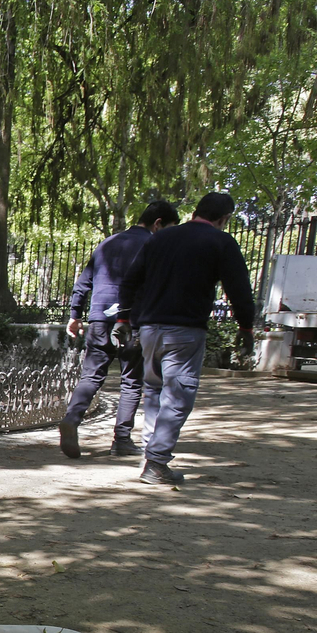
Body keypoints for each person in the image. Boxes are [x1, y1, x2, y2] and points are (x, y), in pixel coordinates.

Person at [118, 191, 255, 485]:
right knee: (178, 397)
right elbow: (239, 290)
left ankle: (150, 454)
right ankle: (155, 463)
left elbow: (131, 279)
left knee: (154, 391)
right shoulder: (221, 242)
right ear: (223, 218)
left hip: (149, 328)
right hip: (185, 330)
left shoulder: (160, 238)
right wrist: (246, 328)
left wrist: (123, 318)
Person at [58, 201, 180, 459]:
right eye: (169, 228)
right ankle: (122, 440)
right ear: (158, 223)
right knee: (131, 381)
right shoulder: (154, 245)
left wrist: (75, 315)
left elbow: (83, 283)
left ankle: (71, 418)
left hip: (99, 319)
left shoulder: (108, 243)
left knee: (91, 376)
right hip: (131, 320)